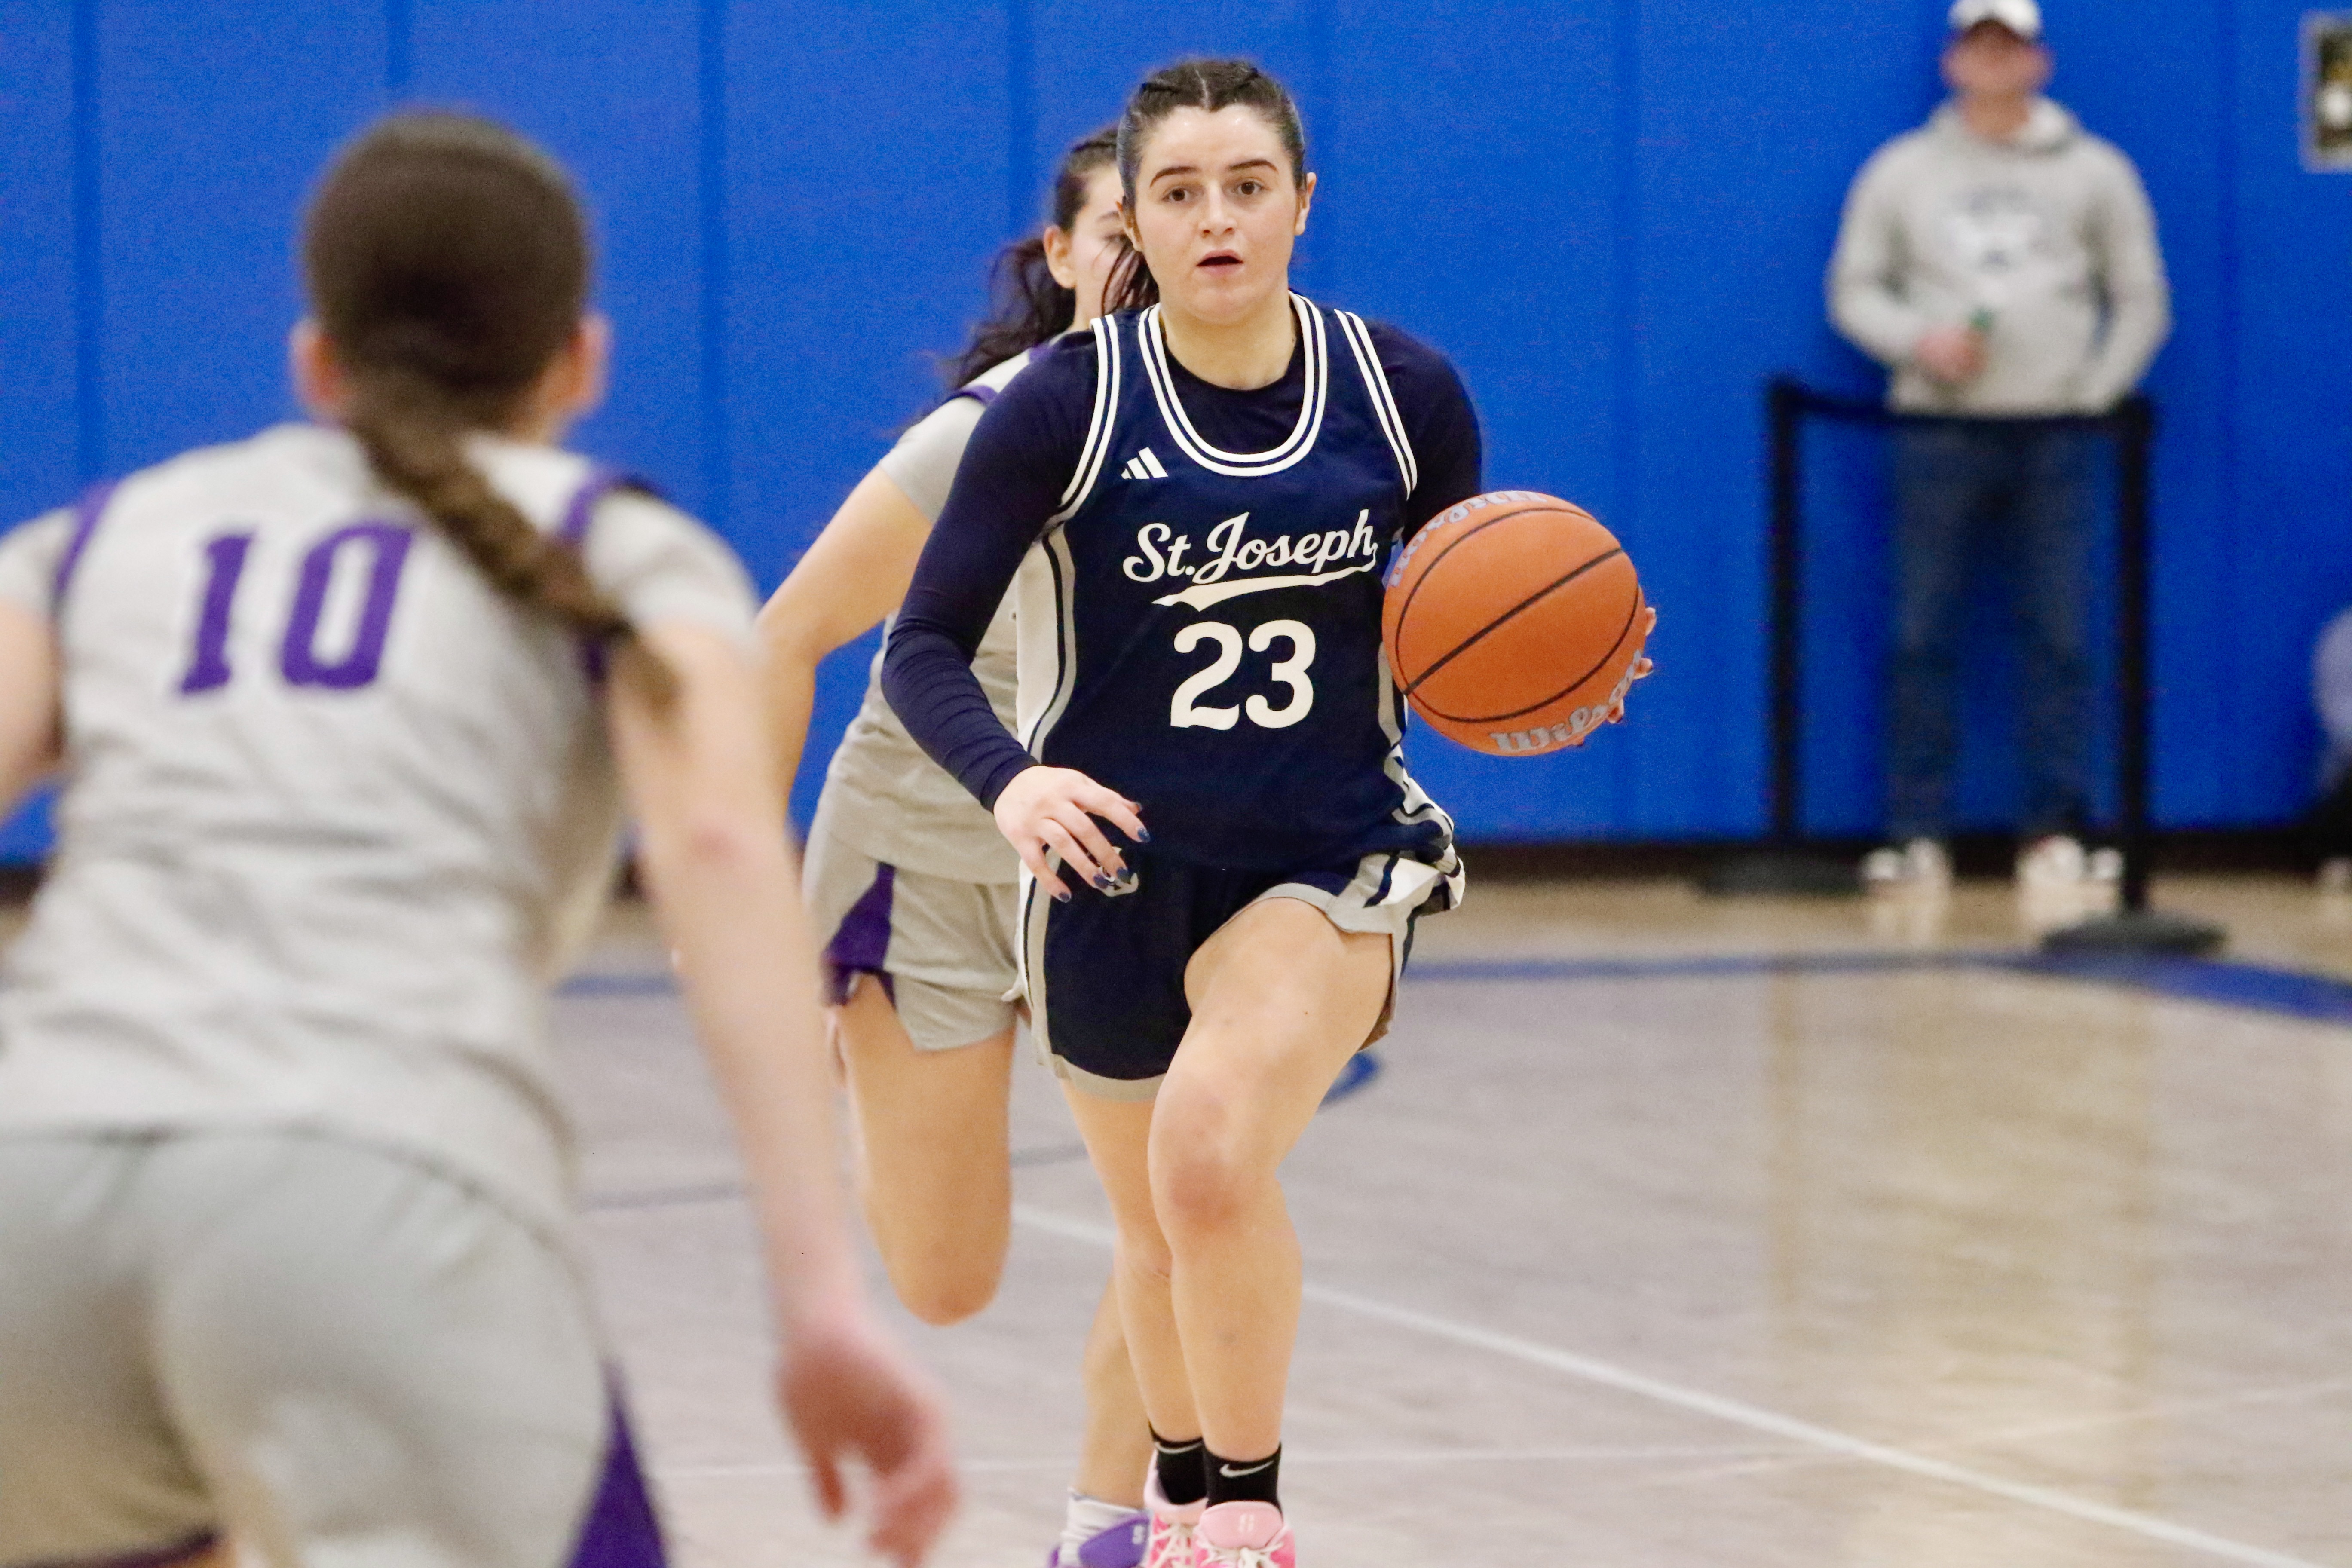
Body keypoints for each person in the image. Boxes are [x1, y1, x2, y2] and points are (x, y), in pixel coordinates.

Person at [0, 113, 955, 1568]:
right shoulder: (616, 546)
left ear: (314, 359)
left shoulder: (100, 536)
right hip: (374, 1184)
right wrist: (821, 1291)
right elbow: (717, 843)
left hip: (36, 1193)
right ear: (579, 360)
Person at [885, 58, 1649, 1567]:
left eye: (1247, 187)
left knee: (1212, 1149)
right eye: (1178, 193)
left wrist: (1560, 673)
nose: (1216, 218)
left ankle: (1247, 1508)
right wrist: (1014, 778)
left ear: (1302, 205)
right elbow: (919, 648)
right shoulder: (1058, 409)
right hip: (1110, 866)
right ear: (1138, 226)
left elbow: (1465, 615)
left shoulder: (1403, 393)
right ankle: (1181, 1499)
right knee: (1158, 1233)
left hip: (1327, 853)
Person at [756, 126, 1158, 1568]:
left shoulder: (1278, 434)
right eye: (1117, 219)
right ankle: (864, 1056)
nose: (1150, 242)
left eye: (1180, 207)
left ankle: (1107, 1524)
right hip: (921, 849)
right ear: (1060, 257)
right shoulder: (988, 430)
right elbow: (785, 635)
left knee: (1189, 1188)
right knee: (943, 1278)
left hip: (1114, 864)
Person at [1830, 0, 2169, 902]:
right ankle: (1914, 833)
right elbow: (1854, 288)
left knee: (2060, 632)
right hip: (1934, 430)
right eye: (1977, 45)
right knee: (1918, 631)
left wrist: (2090, 396)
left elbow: (2140, 297)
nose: (1993, 62)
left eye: (2009, 46)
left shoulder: (2096, 172)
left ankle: (2057, 826)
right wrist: (1917, 340)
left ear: (2039, 61)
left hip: (2054, 434)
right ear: (1952, 62)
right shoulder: (1902, 171)